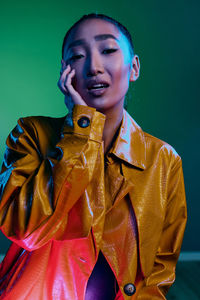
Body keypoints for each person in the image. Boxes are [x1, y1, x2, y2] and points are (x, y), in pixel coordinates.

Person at [0, 13, 187, 300]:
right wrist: (80, 131)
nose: (93, 67)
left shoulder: (163, 159)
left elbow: (159, 270)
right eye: (77, 56)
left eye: (108, 50)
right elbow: (27, 230)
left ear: (133, 67)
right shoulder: (30, 134)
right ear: (65, 71)